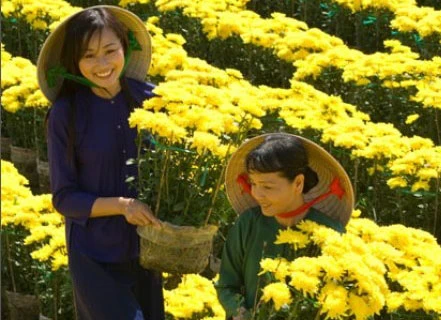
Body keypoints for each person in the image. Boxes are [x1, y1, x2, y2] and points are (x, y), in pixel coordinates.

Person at [36, 5, 165, 320]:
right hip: (94, 255)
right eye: (89, 56)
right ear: (73, 61)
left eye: (110, 50)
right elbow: (65, 198)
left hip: (147, 250)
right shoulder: (66, 114)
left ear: (125, 47)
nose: (103, 64)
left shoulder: (150, 100)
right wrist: (124, 205)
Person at [215, 133, 355, 319]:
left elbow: (341, 296)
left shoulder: (330, 235)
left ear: (298, 183)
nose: (257, 194)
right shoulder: (247, 224)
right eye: (254, 184)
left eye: (267, 187)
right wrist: (240, 312)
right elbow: (226, 285)